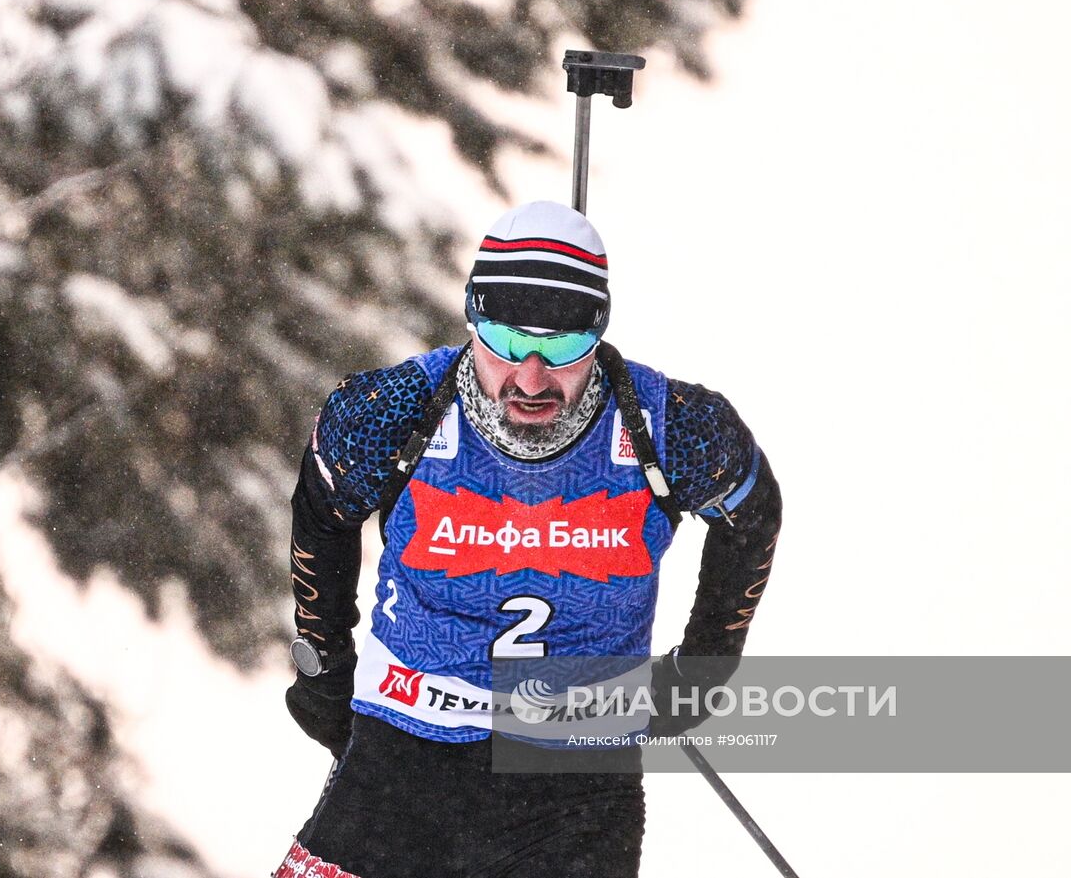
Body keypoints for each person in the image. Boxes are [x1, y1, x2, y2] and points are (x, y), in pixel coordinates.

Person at [274, 201, 782, 878]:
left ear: (599, 334)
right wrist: (325, 660)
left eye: (565, 347)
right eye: (509, 343)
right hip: (405, 754)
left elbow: (752, 514)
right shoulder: (392, 412)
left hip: (574, 776)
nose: (532, 378)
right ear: (471, 319)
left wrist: (706, 665)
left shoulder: (669, 428)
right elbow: (322, 511)